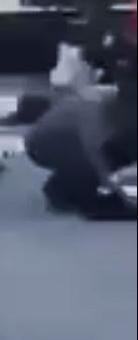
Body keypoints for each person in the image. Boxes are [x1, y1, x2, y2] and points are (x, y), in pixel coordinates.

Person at [25, 54, 137, 219]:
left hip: (95, 139)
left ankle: (72, 185)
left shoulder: (121, 105)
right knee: (94, 180)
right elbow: (94, 155)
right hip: (50, 142)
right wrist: (122, 196)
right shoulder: (95, 108)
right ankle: (66, 186)